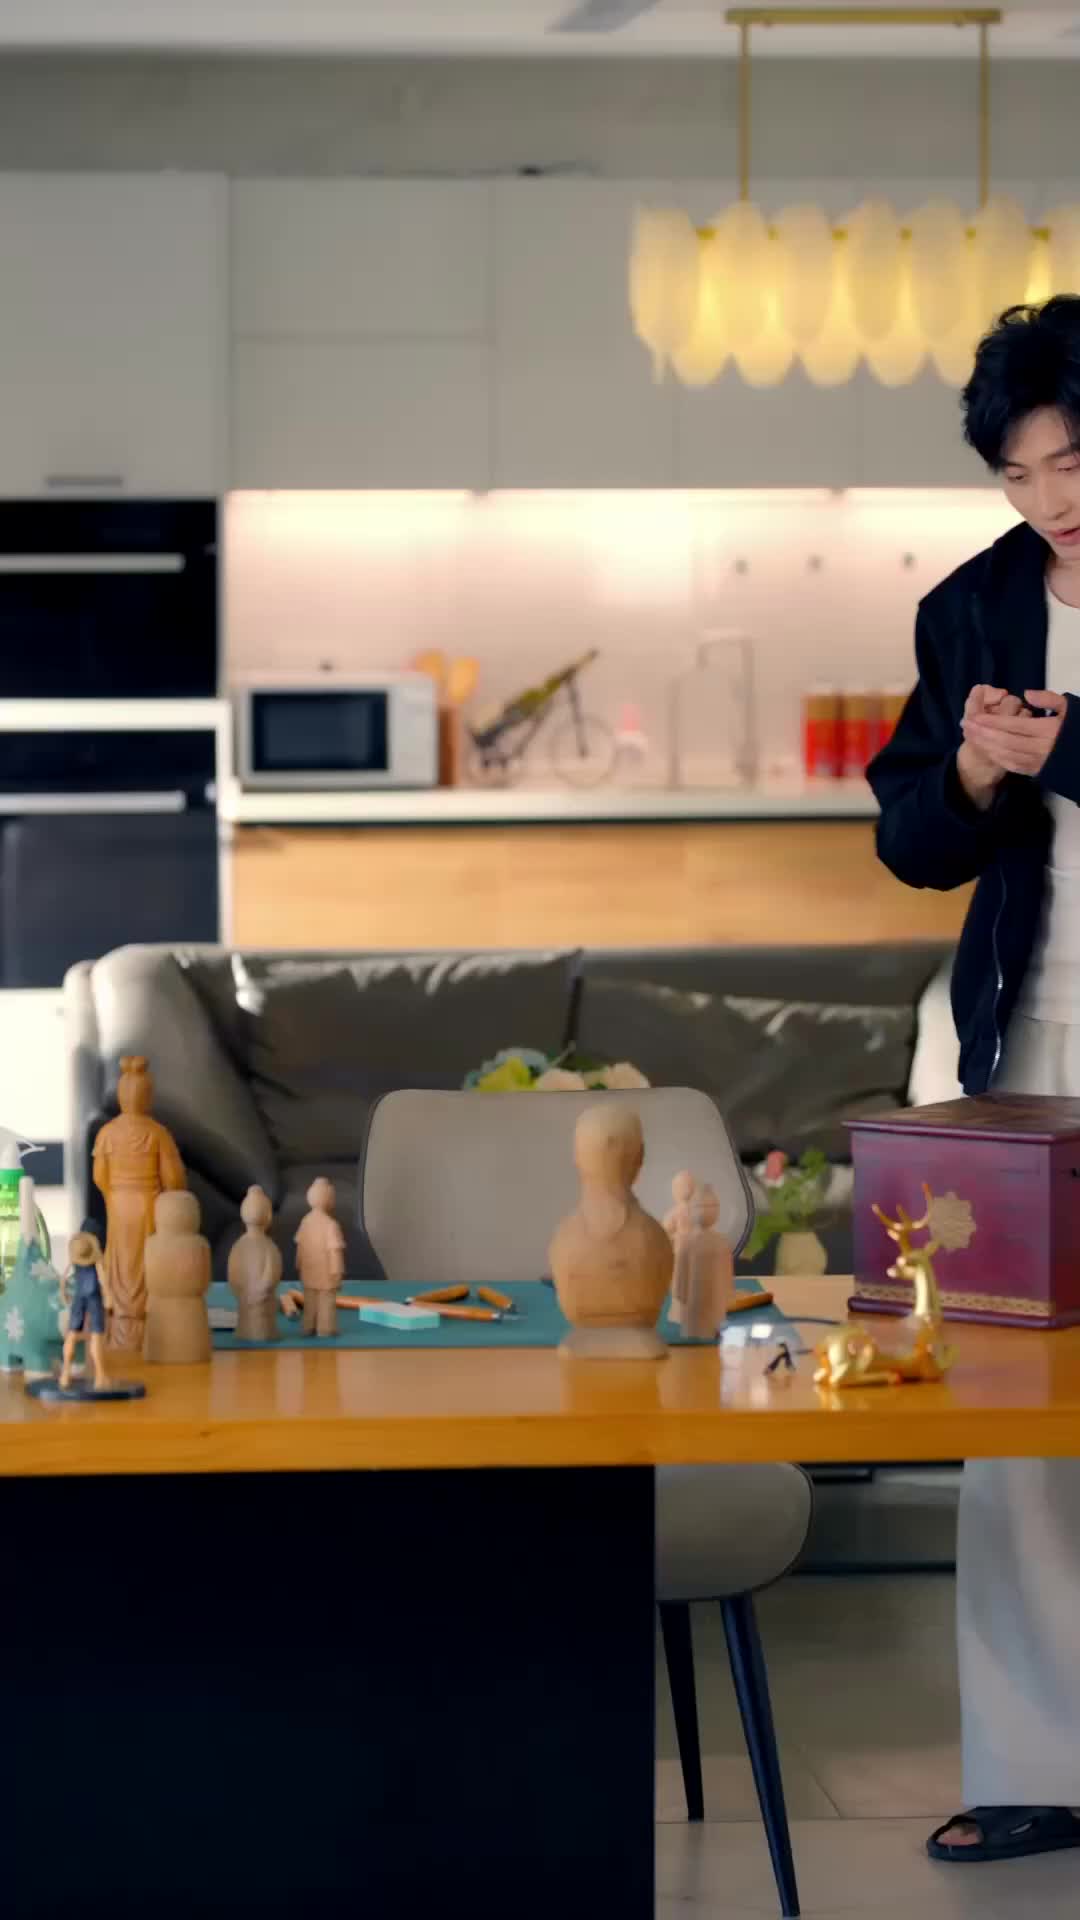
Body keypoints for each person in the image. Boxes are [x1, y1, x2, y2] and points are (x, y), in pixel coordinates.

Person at [869, 293, 1080, 1866]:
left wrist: (1065, 748)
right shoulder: (974, 606)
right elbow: (912, 843)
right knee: (1020, 1422)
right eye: (1019, 472)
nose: (1051, 496)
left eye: (1072, 460)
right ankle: (1034, 1768)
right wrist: (969, 768)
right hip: (1022, 1046)